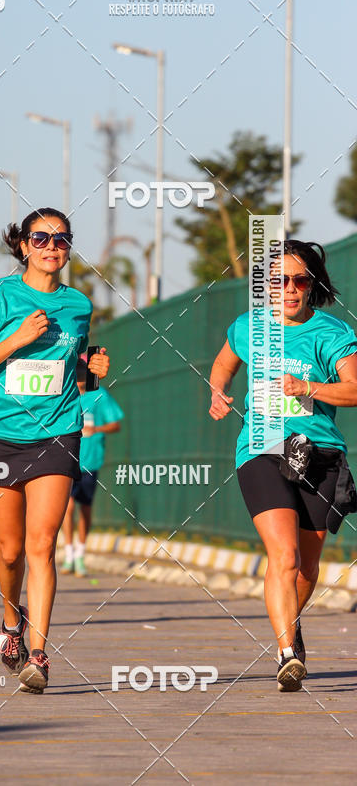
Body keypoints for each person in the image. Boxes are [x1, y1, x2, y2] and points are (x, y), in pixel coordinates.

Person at [0, 208, 110, 694]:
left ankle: (39, 655)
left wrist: (94, 371)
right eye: (40, 238)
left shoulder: (79, 305)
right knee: (10, 549)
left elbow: (76, 373)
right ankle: (10, 623)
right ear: (22, 246)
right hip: (1, 433)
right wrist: (18, 339)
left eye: (61, 238)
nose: (51, 246)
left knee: (43, 545)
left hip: (57, 434)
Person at [209, 240, 357, 692]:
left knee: (307, 568)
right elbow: (223, 364)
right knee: (283, 554)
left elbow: (354, 390)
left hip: (320, 453)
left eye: (299, 280)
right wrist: (217, 392)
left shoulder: (331, 334)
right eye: (278, 280)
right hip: (262, 447)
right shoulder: (248, 327)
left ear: (312, 285)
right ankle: (286, 651)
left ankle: (291, 625)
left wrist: (307, 387)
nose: (289, 289)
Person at [61, 357, 123, 576]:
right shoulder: (63, 393)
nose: (79, 375)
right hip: (65, 461)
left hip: (91, 461)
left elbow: (116, 423)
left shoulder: (99, 395)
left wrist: (96, 430)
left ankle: (80, 553)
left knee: (85, 508)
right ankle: (68, 553)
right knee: (66, 508)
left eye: (82, 371)